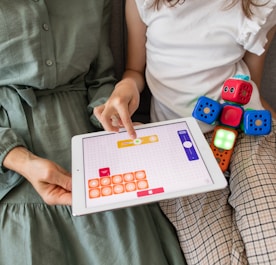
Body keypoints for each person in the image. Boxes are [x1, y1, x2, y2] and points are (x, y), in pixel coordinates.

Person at [0, 1, 187, 265]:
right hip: (11, 170)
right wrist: (20, 160)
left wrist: (109, 113)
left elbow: (99, 79)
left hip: (93, 149)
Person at [94, 0, 276, 264]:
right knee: (215, 257)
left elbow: (251, 84)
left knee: (269, 234)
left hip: (246, 133)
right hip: (179, 147)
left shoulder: (260, 5)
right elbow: (134, 70)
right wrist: (125, 88)